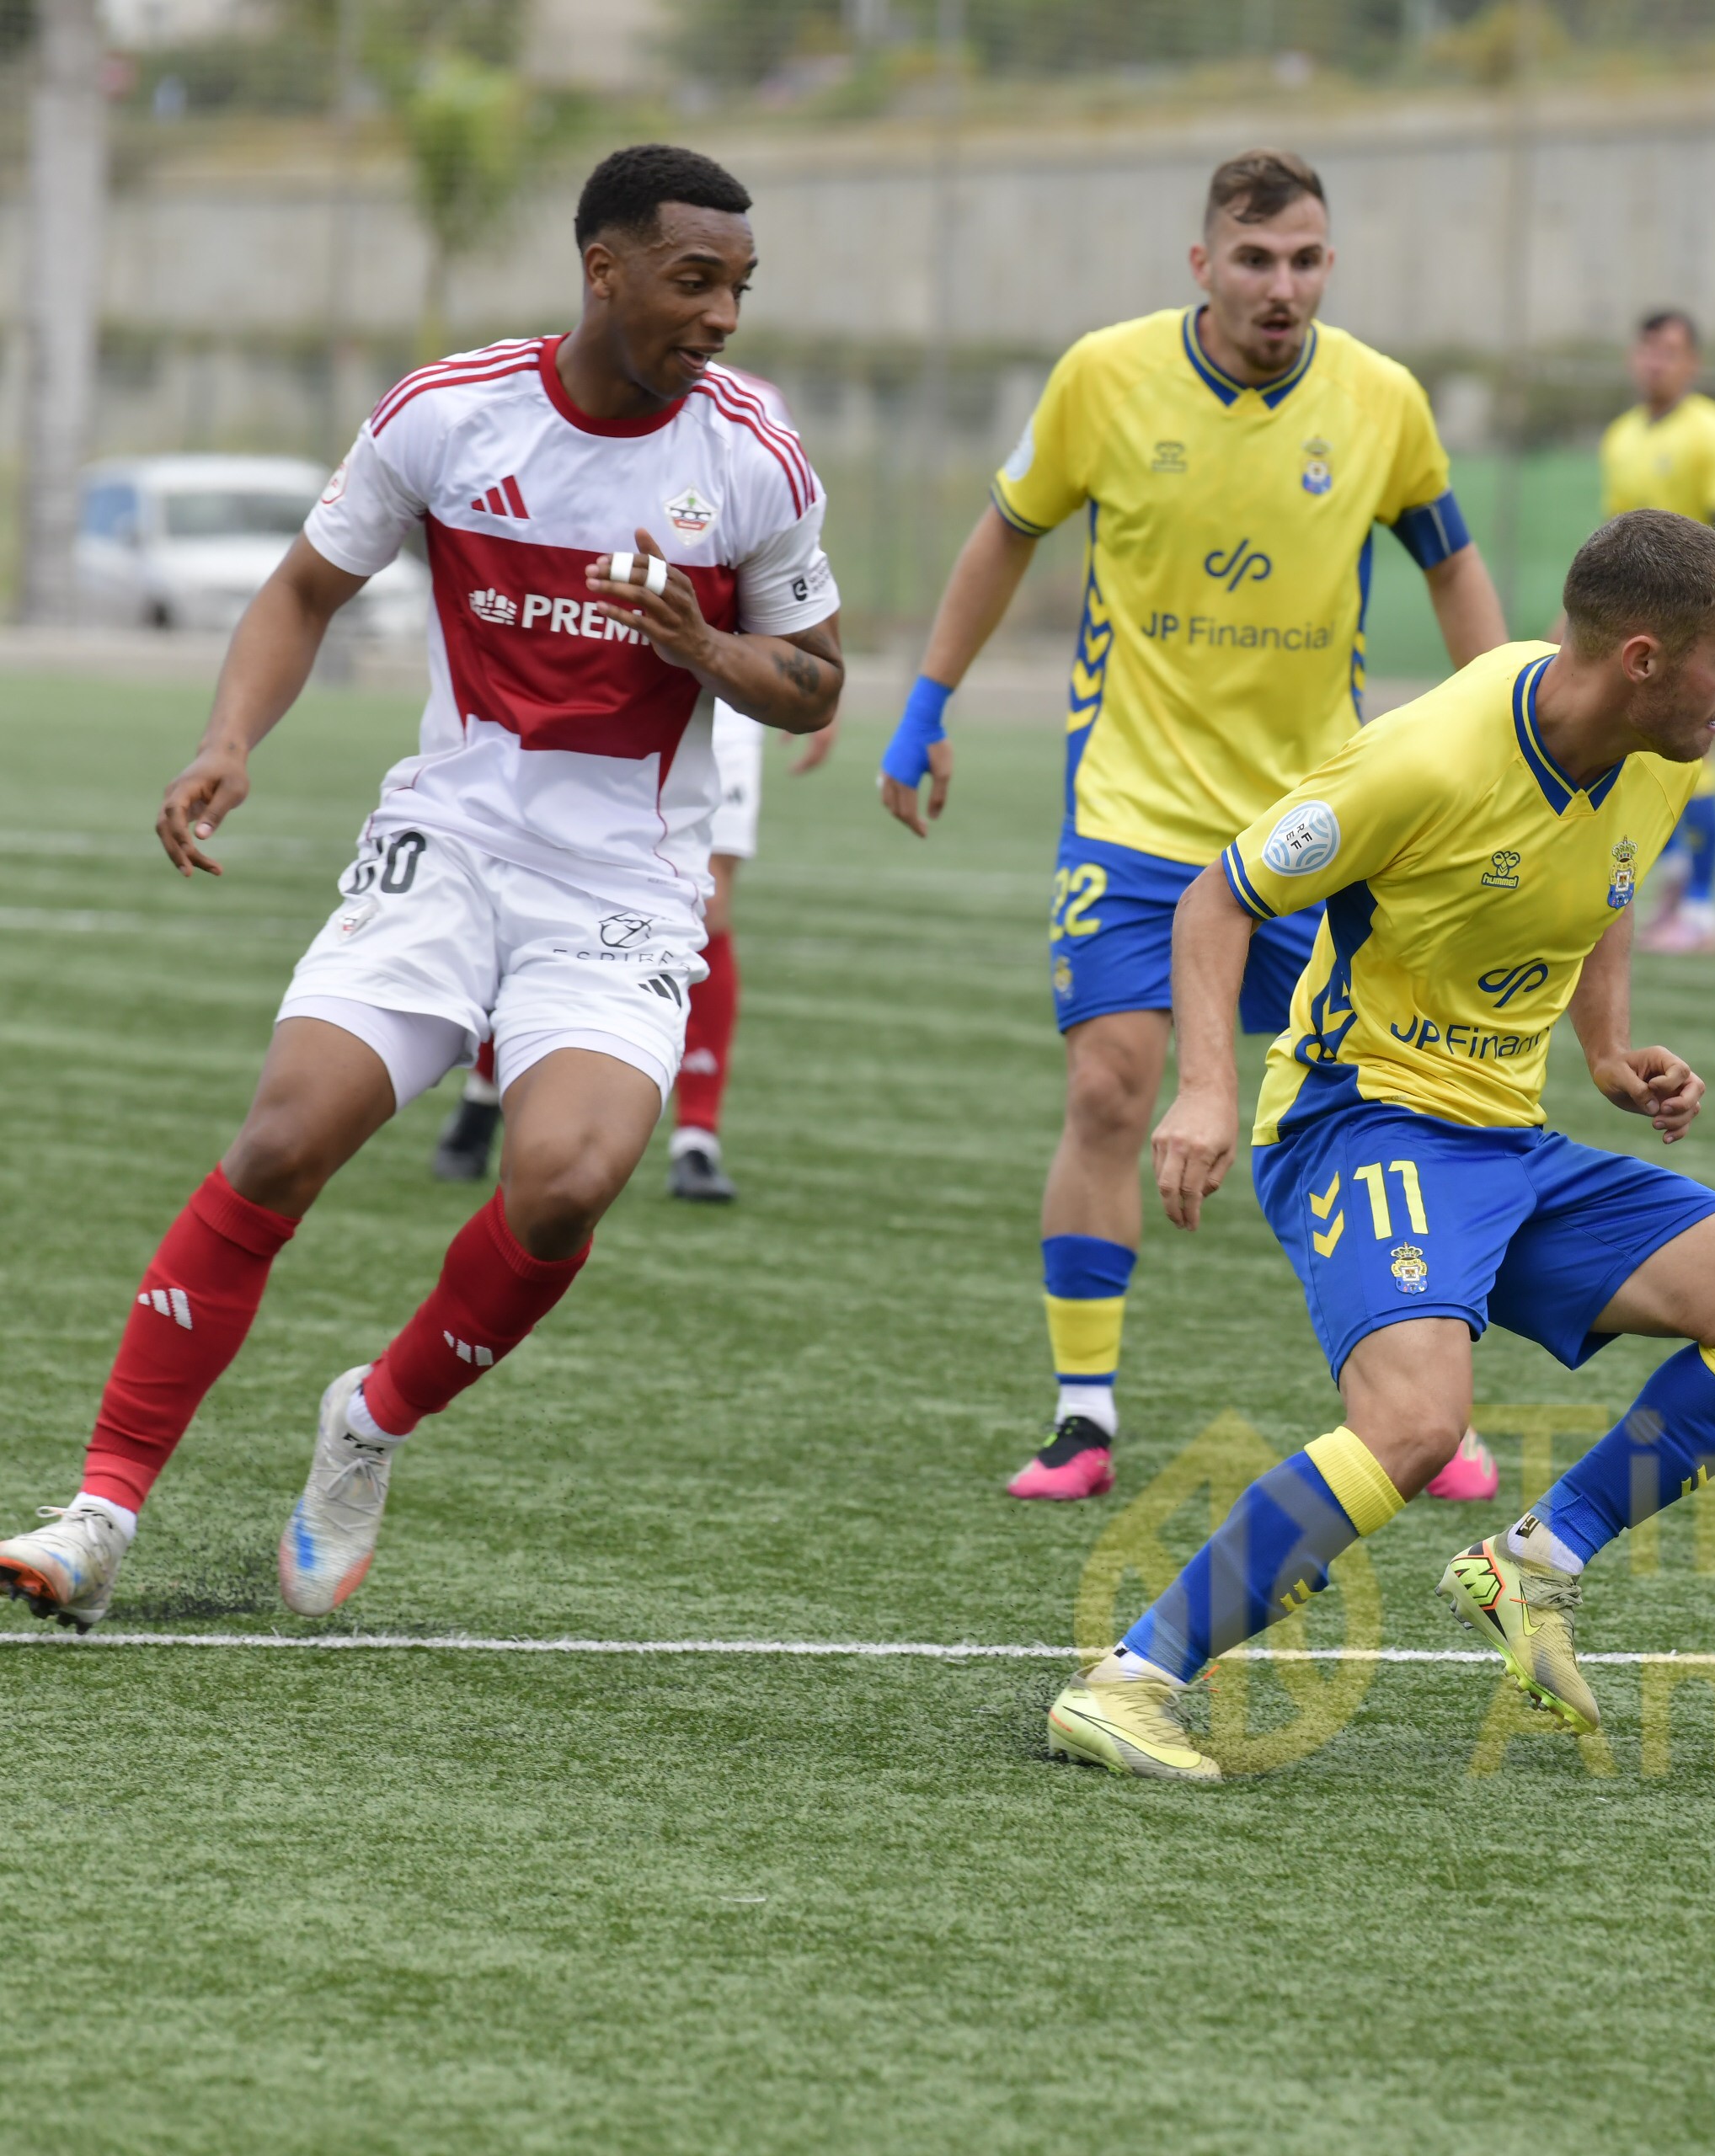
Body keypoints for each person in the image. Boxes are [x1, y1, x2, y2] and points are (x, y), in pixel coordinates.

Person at [0, 146, 843, 1630]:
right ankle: (100, 1512)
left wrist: (699, 649)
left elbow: (819, 681)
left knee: (568, 1186)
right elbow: (306, 590)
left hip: (625, 887)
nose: (721, 318)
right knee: (280, 1143)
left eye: (739, 290)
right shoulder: (450, 413)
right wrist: (228, 741)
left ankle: (368, 1426)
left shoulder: (754, 455)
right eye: (695, 281)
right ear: (606, 269)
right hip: (446, 852)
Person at [1044, 511, 1715, 1782]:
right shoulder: (1423, 762)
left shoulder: (1661, 743)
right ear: (1642, 657)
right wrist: (1202, 1091)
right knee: (1417, 1426)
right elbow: (1220, 896)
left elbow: (1608, 886)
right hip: (1357, 1118)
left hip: (1507, 1143)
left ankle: (1537, 1560)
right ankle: (1131, 1680)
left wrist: (1609, 1049)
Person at [876, 149, 1511, 1506]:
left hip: (1321, 823)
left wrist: (1502, 724)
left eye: (1306, 261)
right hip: (1133, 809)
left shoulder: (1383, 401)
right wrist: (927, 700)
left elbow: (1452, 564)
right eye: (1255, 259)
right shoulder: (1103, 378)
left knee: (1374, 1113)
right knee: (1111, 1086)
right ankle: (1082, 1418)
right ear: (1202, 265)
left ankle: (1426, 1413)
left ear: (1328, 266)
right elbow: (1005, 531)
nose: (1282, 287)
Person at [432, 368, 841, 1205]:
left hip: (713, 687)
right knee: (530, 875)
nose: (711, 313)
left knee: (712, 903)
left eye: (729, 288)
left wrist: (807, 682)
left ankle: (697, 1135)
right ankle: (486, 1092)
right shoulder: (551, 407)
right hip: (590, 676)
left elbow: (794, 567)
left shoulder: (754, 418)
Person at [1595, 308, 1715, 955]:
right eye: (1648, 348)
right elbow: (1612, 545)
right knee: (1635, 756)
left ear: (1692, 363)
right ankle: (1673, 887)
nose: (1657, 360)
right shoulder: (1620, 438)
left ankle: (1703, 909)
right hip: (1638, 635)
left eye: (1671, 350)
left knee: (1698, 764)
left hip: (1693, 628)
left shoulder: (1712, 432)